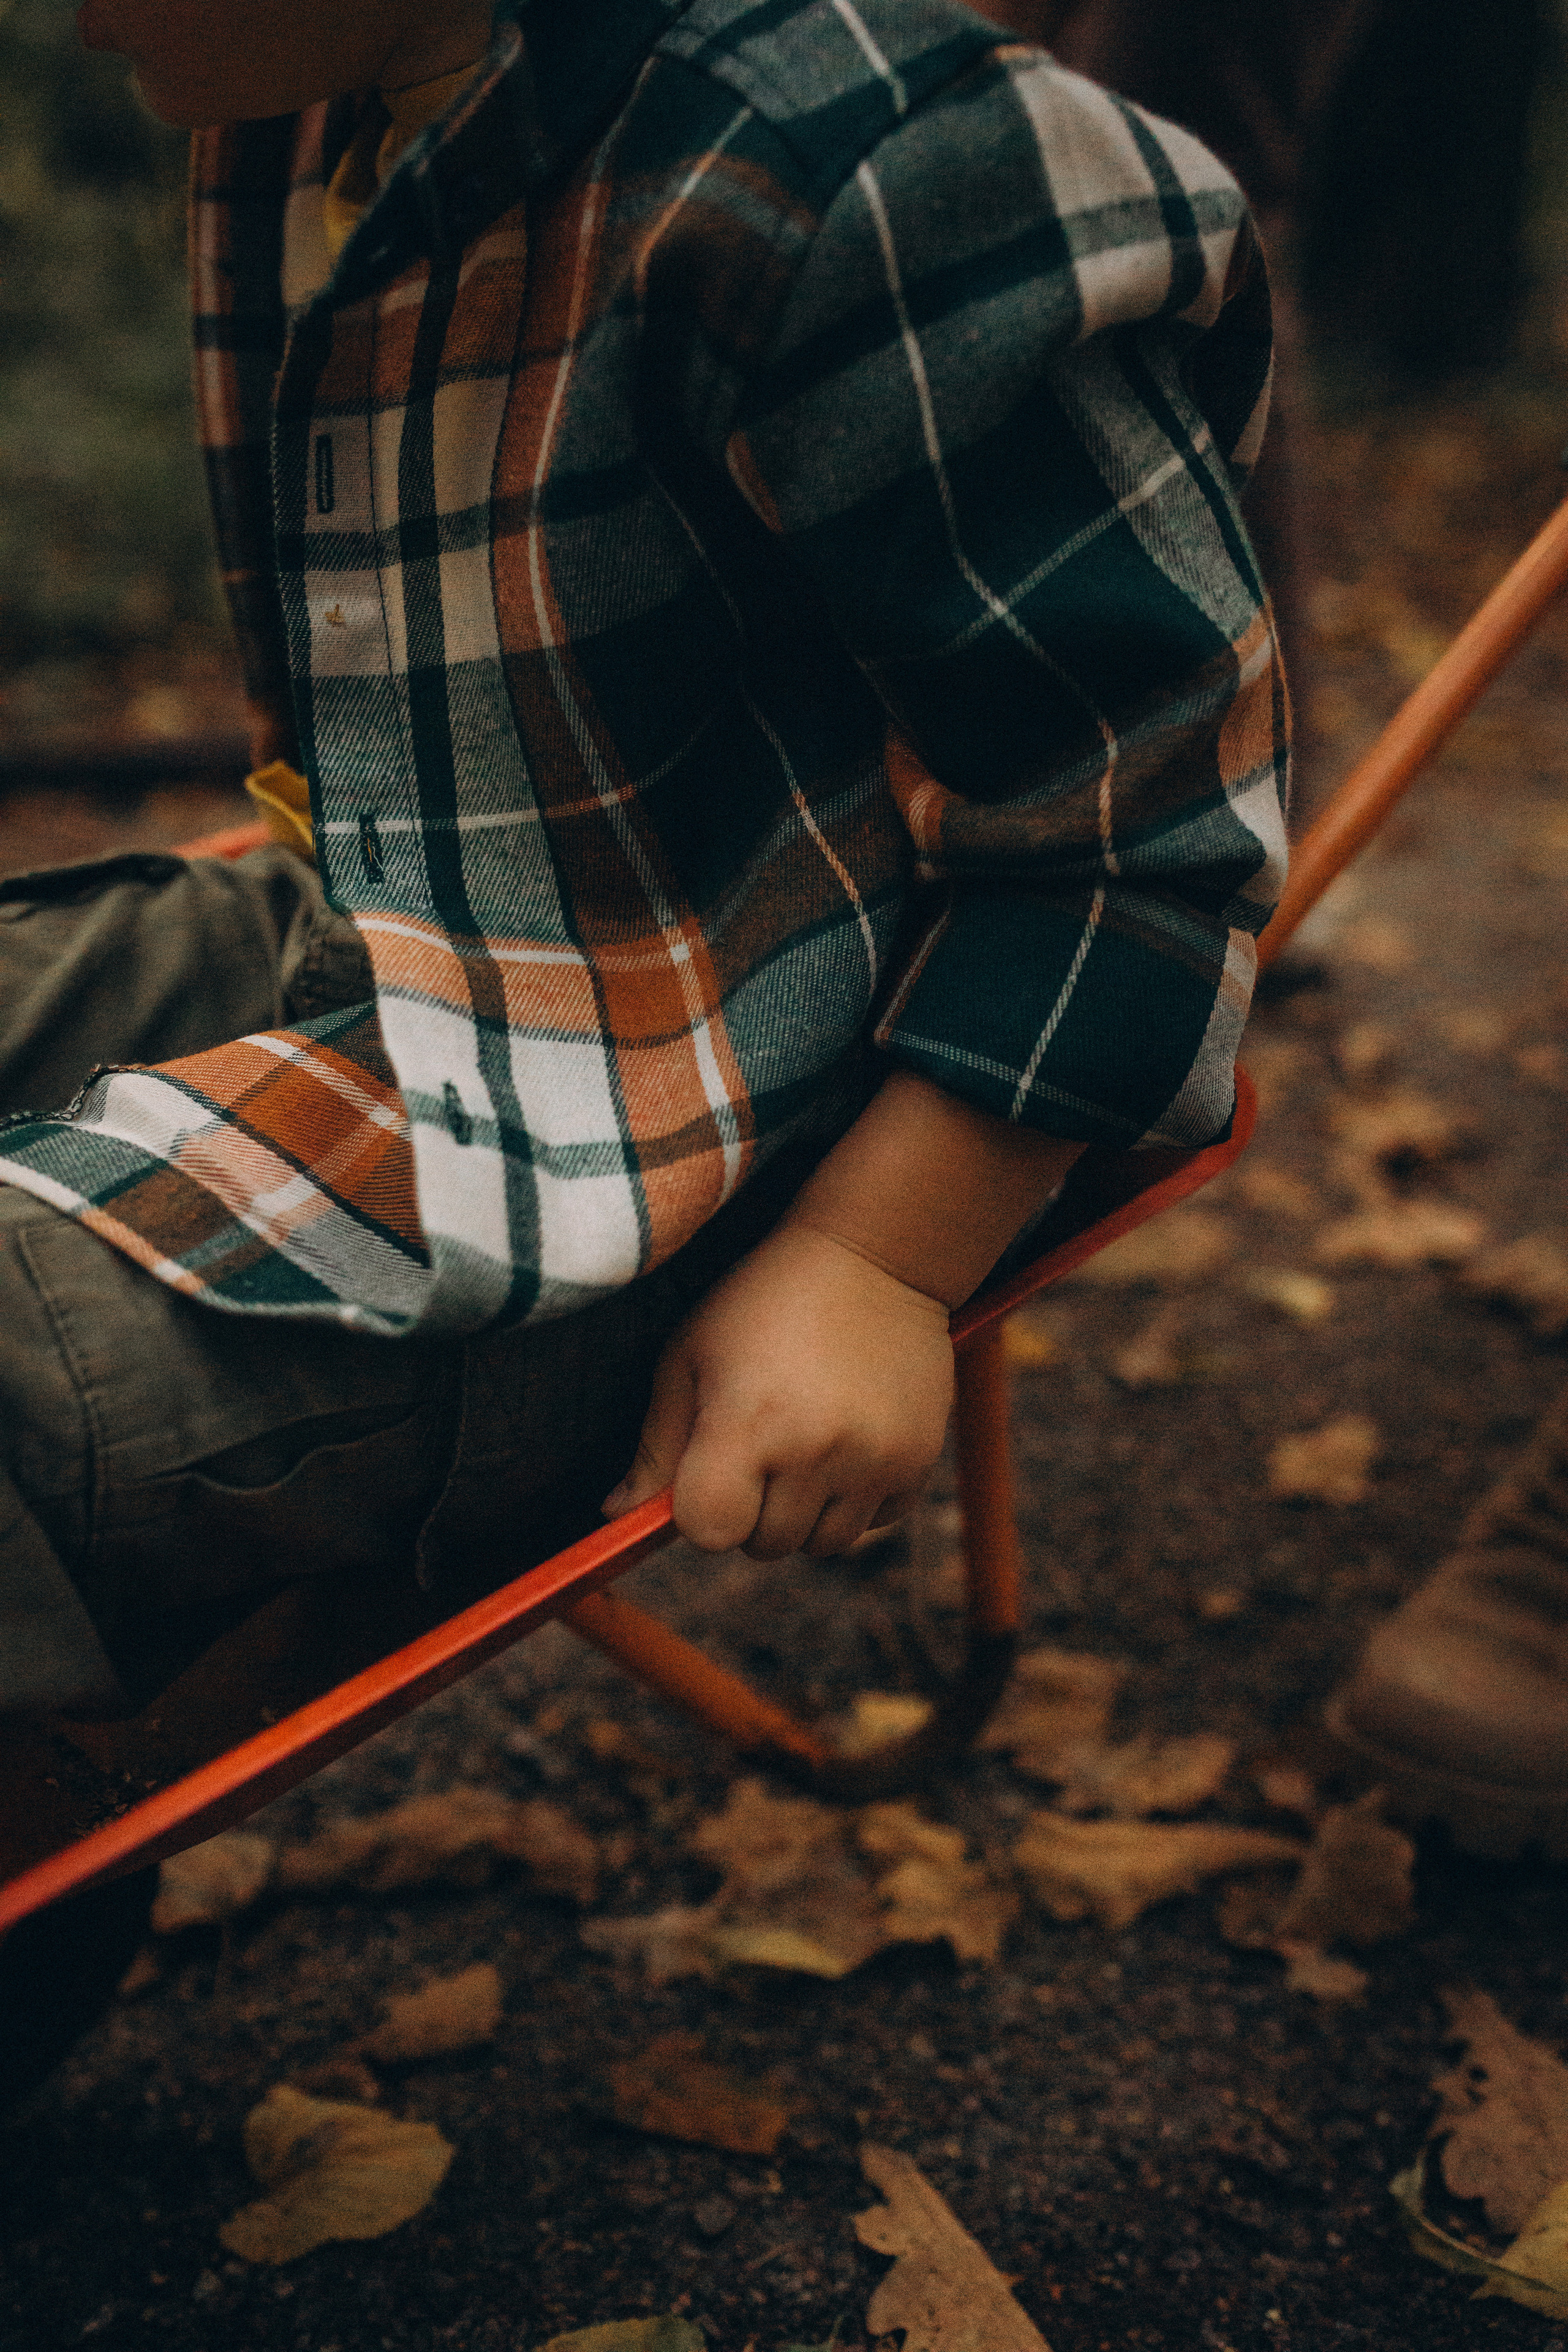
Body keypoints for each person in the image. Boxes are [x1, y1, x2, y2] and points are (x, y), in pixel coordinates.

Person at [0, 0, 1286, 1878]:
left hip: (707, 1131)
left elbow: (1142, 824)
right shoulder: (307, 89)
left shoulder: (858, 178)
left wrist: (877, 1259)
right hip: (411, 925)